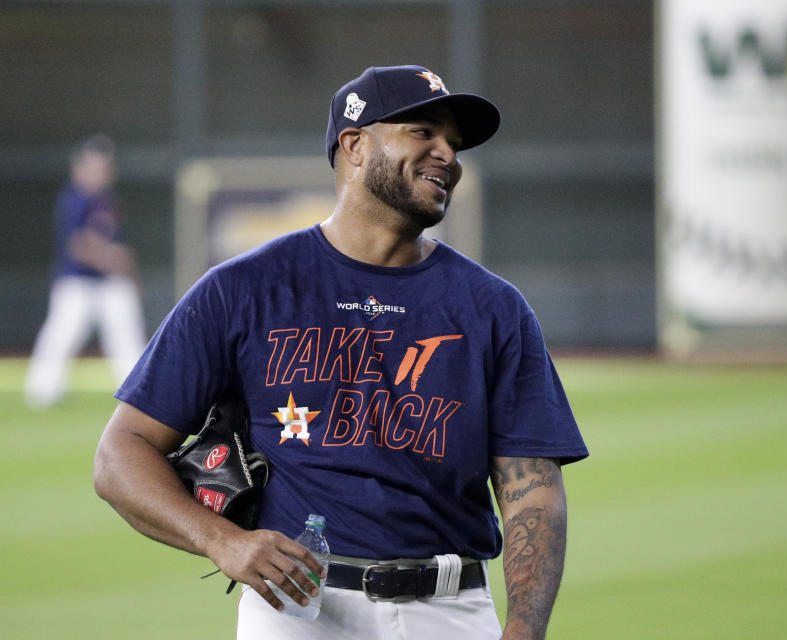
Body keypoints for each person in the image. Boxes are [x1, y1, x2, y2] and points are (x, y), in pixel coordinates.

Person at [93, 65, 588, 639]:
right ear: (354, 145)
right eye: (423, 131)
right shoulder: (244, 289)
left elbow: (532, 490)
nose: (447, 154)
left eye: (453, 141)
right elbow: (119, 453)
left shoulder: (493, 308)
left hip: (451, 612)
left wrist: (525, 631)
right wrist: (222, 541)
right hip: (299, 609)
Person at [24, 134, 147, 408]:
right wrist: (113, 259)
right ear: (78, 166)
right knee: (61, 334)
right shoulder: (73, 200)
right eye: (94, 166)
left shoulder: (109, 199)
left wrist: (126, 270)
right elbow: (78, 247)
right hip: (77, 281)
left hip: (110, 283)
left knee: (127, 338)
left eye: (104, 166)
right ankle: (43, 391)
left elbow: (117, 248)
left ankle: (136, 395)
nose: (100, 172)